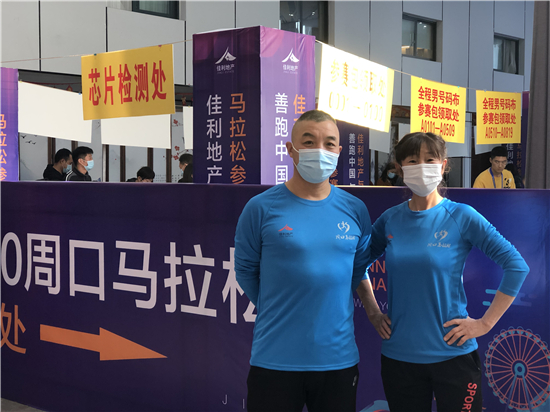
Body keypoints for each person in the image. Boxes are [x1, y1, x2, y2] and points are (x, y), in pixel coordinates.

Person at [358, 132, 529, 412]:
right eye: (413, 160)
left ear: (443, 165)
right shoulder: (390, 219)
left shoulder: (461, 215)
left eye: (430, 159)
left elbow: (517, 265)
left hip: (453, 355)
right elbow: (358, 265)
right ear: (400, 168)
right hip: (400, 356)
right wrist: (373, 313)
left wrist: (485, 324)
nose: (422, 166)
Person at [234, 110, 372, 412]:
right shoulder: (260, 208)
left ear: (338, 151)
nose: (319, 150)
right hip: (275, 359)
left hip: (337, 360)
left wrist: (364, 310)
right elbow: (244, 270)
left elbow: (358, 269)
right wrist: (278, 305)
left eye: (329, 143)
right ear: (291, 149)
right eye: (308, 142)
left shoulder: (355, 209)